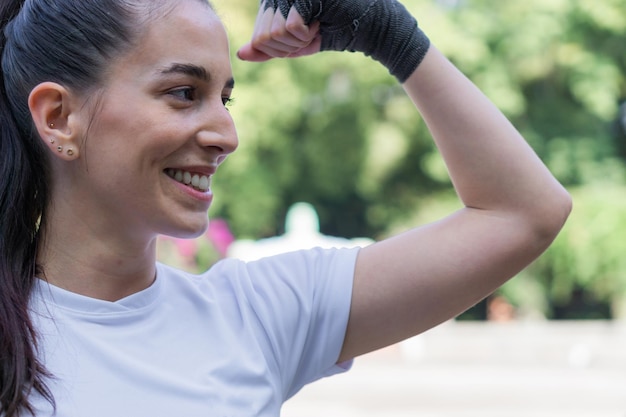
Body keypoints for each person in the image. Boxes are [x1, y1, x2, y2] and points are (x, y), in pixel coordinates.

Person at [0, 0, 571, 415]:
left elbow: (523, 214)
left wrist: (394, 39)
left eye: (225, 98)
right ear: (58, 117)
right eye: (183, 93)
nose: (227, 133)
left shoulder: (260, 314)